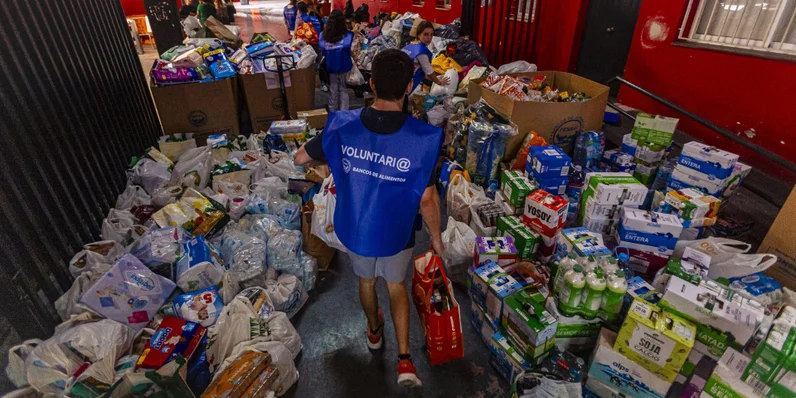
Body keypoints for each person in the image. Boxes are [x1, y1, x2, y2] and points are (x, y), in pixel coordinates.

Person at [293, 49, 444, 388]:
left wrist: (334, 161)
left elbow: (300, 157)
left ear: (372, 84)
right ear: (409, 87)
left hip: (356, 228)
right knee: (396, 287)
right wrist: (436, 238)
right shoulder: (425, 139)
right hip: (397, 232)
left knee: (365, 282)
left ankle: (374, 333)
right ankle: (405, 362)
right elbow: (428, 199)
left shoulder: (341, 126)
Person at [401, 20, 450, 92]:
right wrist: (439, 82)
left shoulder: (410, 45)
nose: (429, 37)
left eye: (431, 34)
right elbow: (428, 71)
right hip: (406, 84)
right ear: (418, 35)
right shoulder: (421, 52)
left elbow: (424, 72)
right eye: (426, 34)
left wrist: (434, 78)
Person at [320, 10, 353, 112]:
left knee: (333, 89)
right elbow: (348, 49)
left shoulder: (323, 36)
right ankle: (344, 112)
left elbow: (322, 50)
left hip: (331, 65)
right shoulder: (348, 35)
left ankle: (332, 112)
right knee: (343, 89)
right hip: (344, 65)